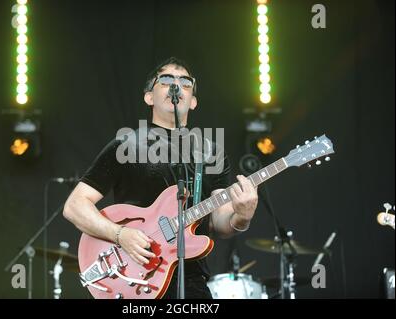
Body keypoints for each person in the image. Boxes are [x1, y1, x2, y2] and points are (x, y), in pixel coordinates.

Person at [63, 57, 258, 299]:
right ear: (149, 97)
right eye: (166, 80)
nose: (176, 86)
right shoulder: (127, 145)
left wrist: (242, 216)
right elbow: (75, 206)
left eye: (186, 83)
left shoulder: (211, 153)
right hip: (138, 279)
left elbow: (219, 222)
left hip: (192, 281)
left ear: (193, 102)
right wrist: (119, 234)